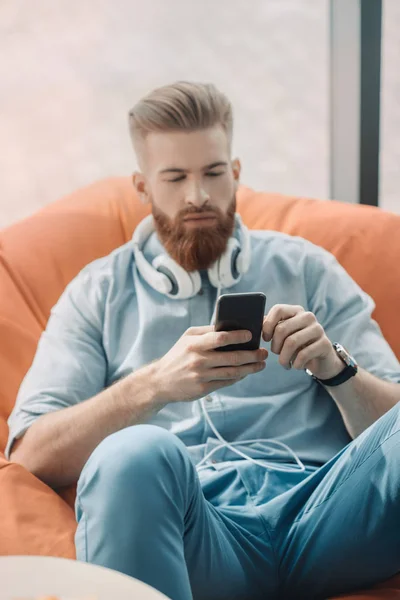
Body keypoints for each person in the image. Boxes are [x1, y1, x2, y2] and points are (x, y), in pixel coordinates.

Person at [6, 81, 400, 600]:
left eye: (214, 173)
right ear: (143, 188)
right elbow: (31, 453)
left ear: (235, 174)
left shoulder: (307, 267)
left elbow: (390, 432)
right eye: (175, 177)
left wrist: (337, 370)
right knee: (131, 452)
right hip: (198, 532)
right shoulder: (96, 293)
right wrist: (153, 387)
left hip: (326, 512)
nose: (198, 196)